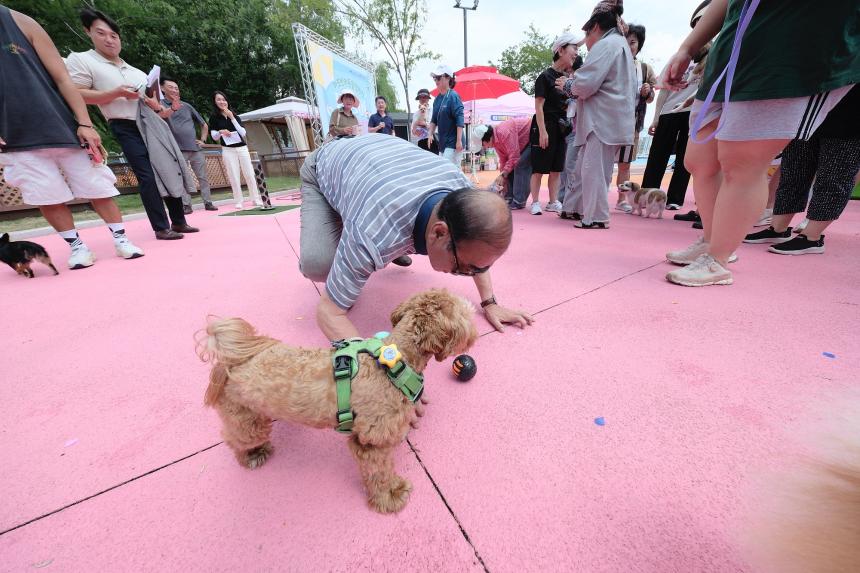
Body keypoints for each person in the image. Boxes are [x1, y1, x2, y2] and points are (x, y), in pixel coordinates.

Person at [663, 0, 857, 287]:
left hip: (790, 57)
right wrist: (688, 47)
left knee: (742, 162)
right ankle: (711, 240)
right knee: (700, 160)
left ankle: (718, 257)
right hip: (732, 54)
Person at [298, 133, 533, 341]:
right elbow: (329, 312)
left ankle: (385, 252)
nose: (469, 273)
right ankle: (360, 244)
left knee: (375, 240)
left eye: (479, 268)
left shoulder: (462, 191)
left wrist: (490, 303)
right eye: (465, 268)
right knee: (318, 265)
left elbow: (476, 247)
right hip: (327, 165)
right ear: (439, 232)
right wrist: (381, 367)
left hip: (378, 158)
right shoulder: (372, 231)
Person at [0, 5, 144, 268]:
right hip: (15, 137)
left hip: (61, 124)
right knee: (46, 195)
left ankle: (121, 239)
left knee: (97, 186)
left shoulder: (21, 22)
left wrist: (85, 123)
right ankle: (77, 246)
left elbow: (63, 78)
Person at [65, 8, 197, 240]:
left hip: (153, 125)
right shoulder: (82, 60)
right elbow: (74, 93)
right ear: (88, 33)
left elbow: (157, 105)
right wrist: (114, 94)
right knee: (146, 175)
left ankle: (178, 221)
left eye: (114, 35)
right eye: (101, 33)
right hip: (124, 125)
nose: (109, 39)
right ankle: (160, 226)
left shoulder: (135, 71)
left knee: (169, 168)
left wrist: (155, 103)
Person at [743, 85, 860, 256]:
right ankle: (778, 228)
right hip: (813, 100)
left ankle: (812, 237)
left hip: (851, 106)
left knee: (835, 173)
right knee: (794, 169)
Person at [556, 0, 636, 229]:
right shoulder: (618, 44)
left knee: (592, 170)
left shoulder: (607, 45)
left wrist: (568, 85)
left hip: (601, 119)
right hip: (609, 117)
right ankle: (577, 209)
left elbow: (586, 84)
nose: (586, 43)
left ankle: (596, 216)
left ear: (596, 27)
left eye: (587, 34)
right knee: (589, 168)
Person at [527, 34, 580, 216]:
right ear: (561, 50)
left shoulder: (568, 79)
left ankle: (552, 201)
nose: (576, 52)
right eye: (574, 48)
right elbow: (539, 105)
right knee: (539, 167)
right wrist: (542, 131)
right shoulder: (545, 76)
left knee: (557, 168)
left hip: (562, 127)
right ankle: (534, 202)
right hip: (544, 125)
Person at [614, 23, 657, 213]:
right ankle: (595, 197)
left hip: (632, 123)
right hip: (609, 120)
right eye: (625, 41)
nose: (629, 45)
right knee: (603, 162)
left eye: (633, 42)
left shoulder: (645, 69)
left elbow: (651, 99)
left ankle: (621, 200)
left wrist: (647, 92)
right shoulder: (613, 63)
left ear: (639, 45)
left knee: (625, 163)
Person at [159, 77, 216, 212]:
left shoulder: (187, 105)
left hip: (195, 148)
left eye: (176, 88)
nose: (174, 89)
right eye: (171, 87)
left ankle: (208, 202)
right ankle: (186, 205)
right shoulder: (160, 105)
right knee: (182, 178)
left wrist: (202, 140)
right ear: (162, 88)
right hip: (177, 149)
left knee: (202, 177)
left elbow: (204, 124)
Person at [208, 91, 262, 210]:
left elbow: (243, 133)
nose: (222, 102)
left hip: (242, 148)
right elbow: (214, 136)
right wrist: (221, 132)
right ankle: (238, 200)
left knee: (249, 173)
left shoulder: (235, 116)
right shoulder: (214, 118)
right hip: (228, 149)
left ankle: (255, 198)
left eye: (223, 99)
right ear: (215, 102)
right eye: (219, 99)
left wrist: (232, 117)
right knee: (233, 175)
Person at [471, 118, 532, 210]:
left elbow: (514, 156)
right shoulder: (496, 141)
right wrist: (502, 177)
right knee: (508, 169)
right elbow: (504, 160)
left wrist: (503, 175)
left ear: (486, 139)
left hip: (531, 138)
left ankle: (519, 201)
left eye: (483, 145)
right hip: (521, 144)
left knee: (520, 164)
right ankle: (509, 196)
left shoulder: (504, 132)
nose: (485, 147)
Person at [427, 65, 464, 166]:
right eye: (435, 78)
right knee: (446, 171)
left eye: (439, 77)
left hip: (453, 142)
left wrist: (459, 141)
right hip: (443, 143)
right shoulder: (437, 99)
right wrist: (430, 133)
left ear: (448, 78)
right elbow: (434, 120)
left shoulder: (453, 96)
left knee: (448, 170)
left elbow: (460, 119)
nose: (436, 80)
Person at [411, 88, 437, 153]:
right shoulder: (416, 114)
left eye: (425, 97)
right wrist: (416, 129)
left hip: (433, 139)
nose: (423, 99)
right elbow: (413, 131)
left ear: (428, 98)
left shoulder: (434, 111)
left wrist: (424, 124)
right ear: (419, 99)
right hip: (421, 141)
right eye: (421, 97)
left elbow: (434, 126)